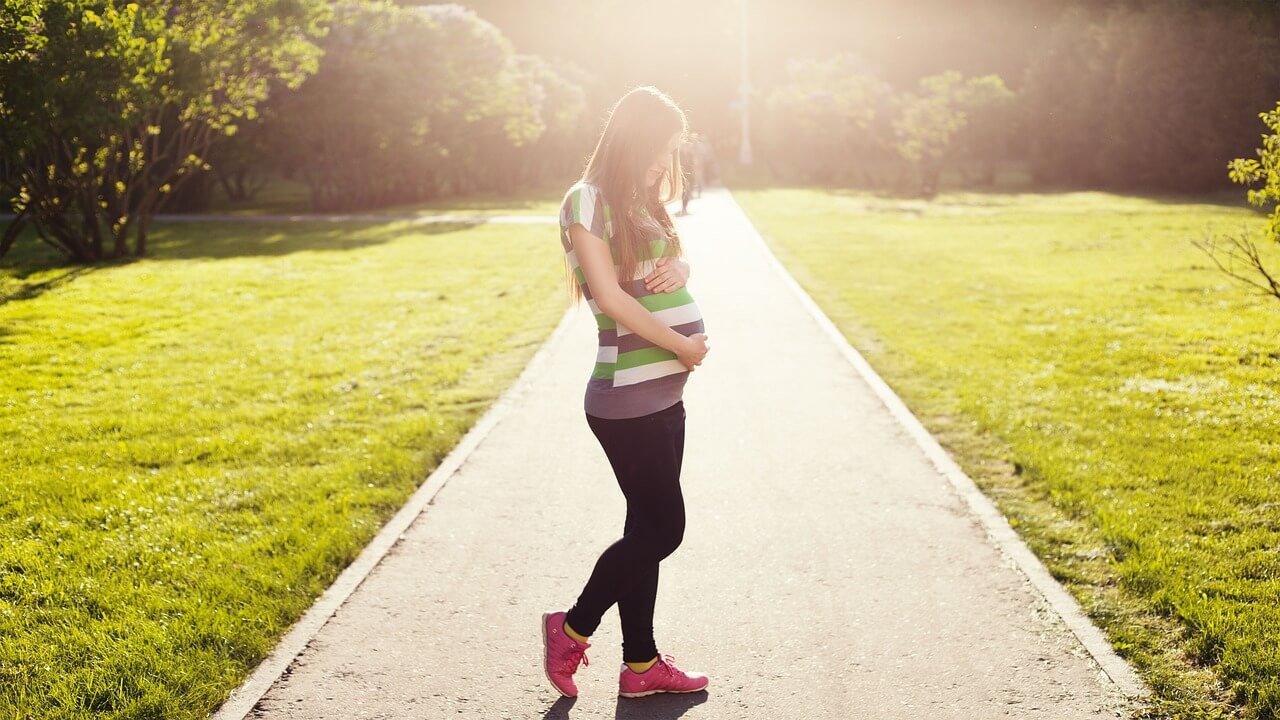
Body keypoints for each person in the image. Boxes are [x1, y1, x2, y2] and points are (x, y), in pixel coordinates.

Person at [543, 86, 711, 700]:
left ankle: (640, 667)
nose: (664, 164)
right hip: (626, 399)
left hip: (665, 394)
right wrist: (683, 344)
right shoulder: (584, 201)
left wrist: (684, 271)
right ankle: (572, 626)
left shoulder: (641, 201)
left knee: (644, 529)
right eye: (659, 151)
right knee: (664, 530)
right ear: (634, 140)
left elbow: (672, 259)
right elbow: (610, 296)